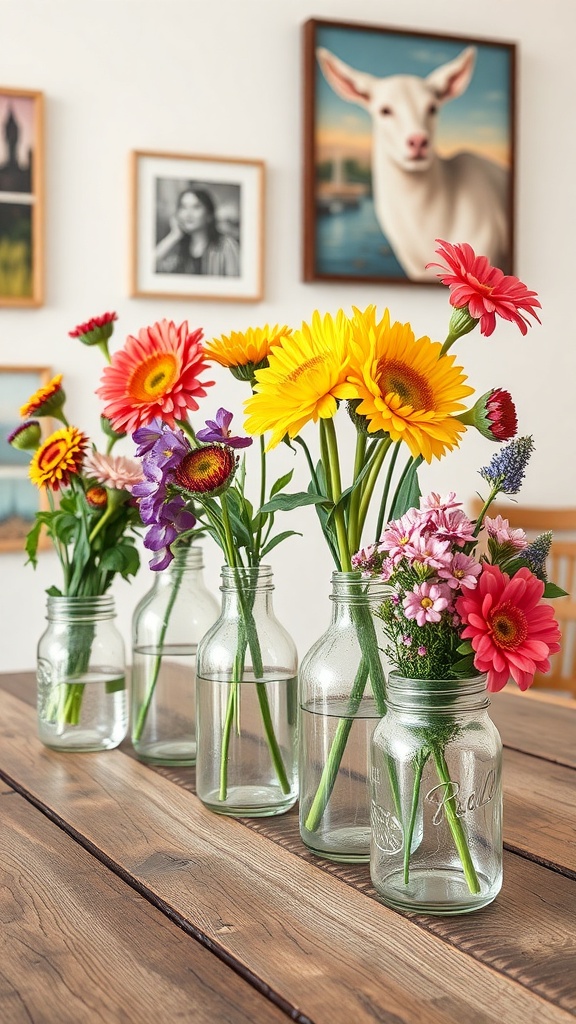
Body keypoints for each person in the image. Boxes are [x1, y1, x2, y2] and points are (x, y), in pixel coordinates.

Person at [155, 186, 240, 277]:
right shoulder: (176, 248)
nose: (188, 214)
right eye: (183, 207)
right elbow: (146, 269)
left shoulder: (226, 245)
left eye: (196, 207)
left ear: (209, 215)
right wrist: (174, 235)